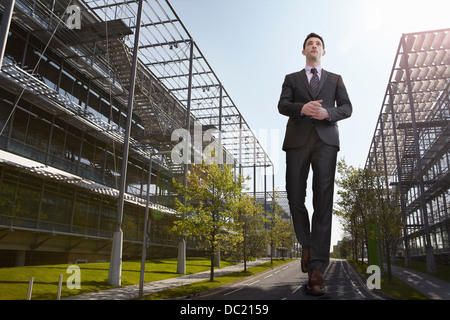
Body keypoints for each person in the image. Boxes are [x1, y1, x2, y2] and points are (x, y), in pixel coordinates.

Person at [278, 32, 352, 295]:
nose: (314, 46)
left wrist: (327, 113)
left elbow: (347, 107)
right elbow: (282, 105)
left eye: (318, 44)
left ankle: (317, 268)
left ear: (323, 52)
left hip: (326, 142)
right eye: (309, 44)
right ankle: (306, 244)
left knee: (323, 199)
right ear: (303, 52)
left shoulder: (335, 79)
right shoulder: (291, 79)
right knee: (295, 196)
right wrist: (303, 108)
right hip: (297, 141)